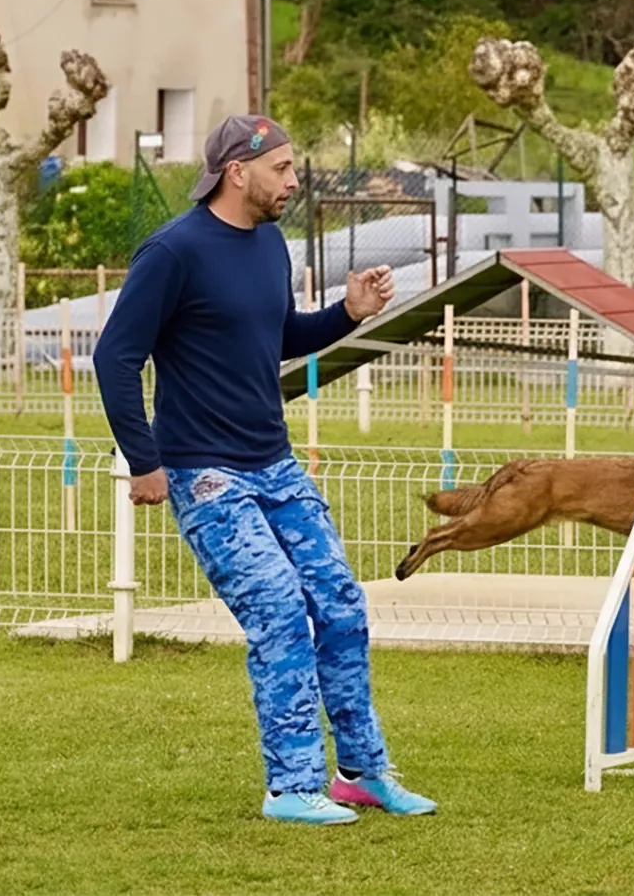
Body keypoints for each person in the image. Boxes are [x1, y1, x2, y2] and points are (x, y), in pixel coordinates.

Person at [93, 114, 436, 827]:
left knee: (341, 605)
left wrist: (347, 312)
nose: (292, 181)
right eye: (281, 168)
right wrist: (146, 461)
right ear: (235, 171)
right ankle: (289, 786)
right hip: (204, 474)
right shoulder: (172, 252)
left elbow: (280, 336)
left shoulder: (270, 244)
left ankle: (361, 773)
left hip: (274, 465)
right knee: (280, 611)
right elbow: (115, 357)